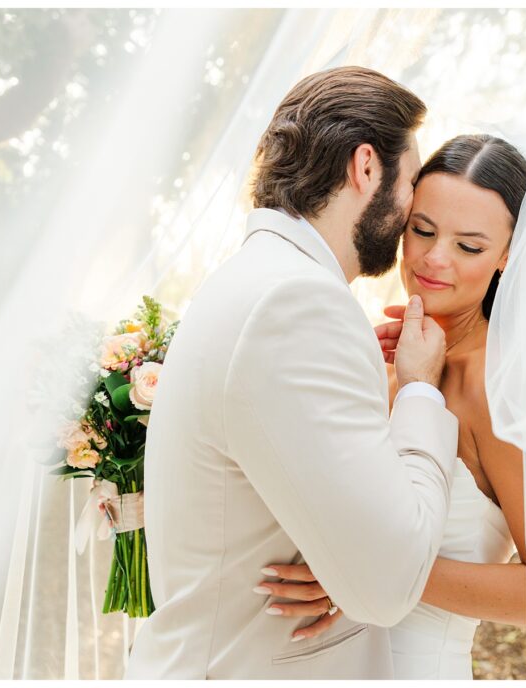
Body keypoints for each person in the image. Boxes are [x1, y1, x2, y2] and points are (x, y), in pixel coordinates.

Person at [123, 66, 460, 679]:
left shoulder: (252, 281)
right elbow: (386, 586)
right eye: (410, 181)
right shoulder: (297, 303)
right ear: (366, 167)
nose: (413, 211)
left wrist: (340, 566)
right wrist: (417, 392)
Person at [254, 134, 526, 679]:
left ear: (508, 256)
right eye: (421, 230)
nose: (434, 258)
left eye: (469, 247)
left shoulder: (495, 387)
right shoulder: (380, 356)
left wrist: (363, 570)